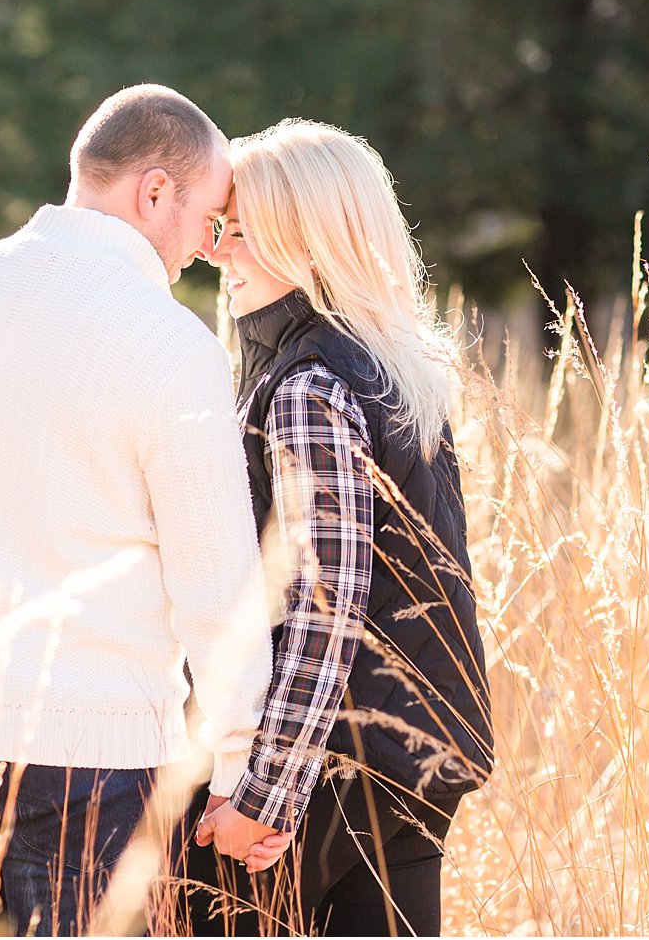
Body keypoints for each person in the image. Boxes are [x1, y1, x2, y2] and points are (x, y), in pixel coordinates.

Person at [0, 84, 280, 936]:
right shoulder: (171, 345)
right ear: (154, 193)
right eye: (211, 221)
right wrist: (244, 763)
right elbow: (215, 585)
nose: (208, 250)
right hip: (89, 771)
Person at [175, 119, 494, 936]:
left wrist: (263, 790)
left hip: (321, 781)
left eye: (241, 233)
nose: (218, 254)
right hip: (409, 764)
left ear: (307, 243)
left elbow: (327, 603)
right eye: (219, 230)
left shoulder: (308, 386)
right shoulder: (388, 368)